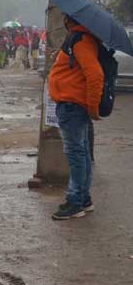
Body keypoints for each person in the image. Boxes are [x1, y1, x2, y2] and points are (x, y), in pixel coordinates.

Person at [48, 14, 103, 220]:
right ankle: (84, 198)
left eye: (65, 18)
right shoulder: (79, 40)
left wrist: (93, 106)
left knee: (76, 155)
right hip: (73, 105)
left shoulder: (81, 40)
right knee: (82, 154)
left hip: (73, 107)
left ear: (71, 21)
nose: (63, 21)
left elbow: (95, 74)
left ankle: (75, 202)